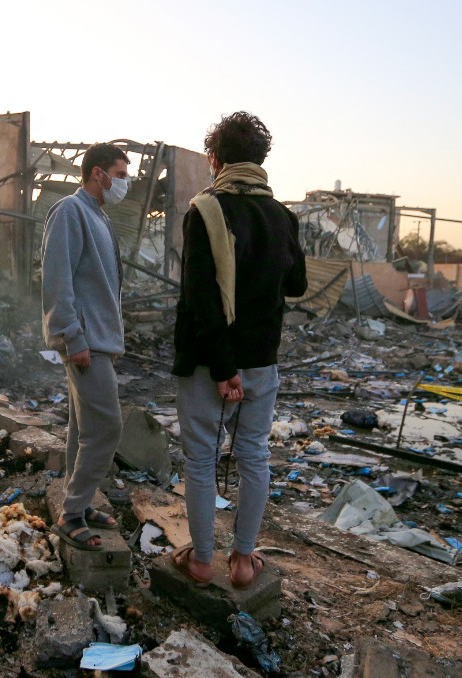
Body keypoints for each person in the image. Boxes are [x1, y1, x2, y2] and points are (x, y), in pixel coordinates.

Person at [170, 112, 308, 588]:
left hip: (208, 361)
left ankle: (203, 560)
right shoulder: (282, 215)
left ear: (215, 158)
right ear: (261, 159)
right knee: (252, 457)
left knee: (202, 459)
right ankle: (244, 561)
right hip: (260, 360)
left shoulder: (204, 209)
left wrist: (223, 368)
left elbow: (199, 299)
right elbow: (297, 284)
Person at [41, 143, 131, 550]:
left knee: (83, 429)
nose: (123, 183)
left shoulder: (99, 218)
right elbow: (57, 280)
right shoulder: (70, 212)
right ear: (99, 174)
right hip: (84, 342)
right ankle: (72, 514)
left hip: (99, 341)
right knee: (108, 426)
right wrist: (71, 336)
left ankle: (80, 501)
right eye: (121, 174)